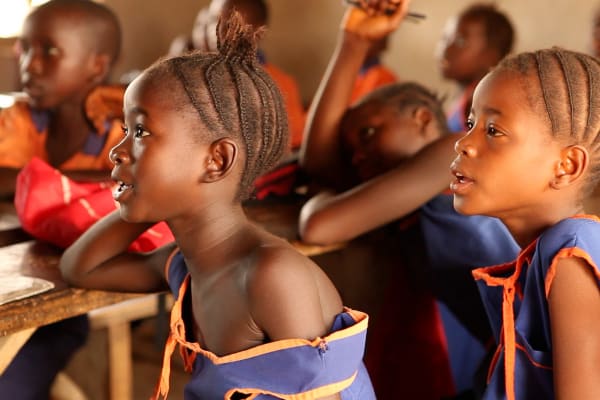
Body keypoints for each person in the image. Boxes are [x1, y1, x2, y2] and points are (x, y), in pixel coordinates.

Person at [59, 11, 375, 400]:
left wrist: (145, 188)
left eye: (139, 131)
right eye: (124, 131)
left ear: (217, 161)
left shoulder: (272, 276)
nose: (116, 151)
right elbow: (80, 267)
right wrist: (142, 193)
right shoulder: (185, 265)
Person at [299, 1, 519, 397]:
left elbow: (319, 224)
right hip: (503, 351)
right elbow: (317, 162)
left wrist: (324, 199)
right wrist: (351, 41)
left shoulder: (448, 154)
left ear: (420, 119)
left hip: (537, 345)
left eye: (368, 133)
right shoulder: (410, 185)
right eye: (354, 152)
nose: (359, 157)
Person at [451, 47, 600, 400]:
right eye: (471, 124)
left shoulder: (570, 254)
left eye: (493, 131)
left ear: (565, 166)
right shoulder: (543, 254)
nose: (463, 143)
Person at [0, 1, 123, 398]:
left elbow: (131, 189)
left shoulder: (119, 135)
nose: (30, 65)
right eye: (26, 49)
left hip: (71, 298)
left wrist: (36, 182)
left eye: (49, 51)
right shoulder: (21, 120)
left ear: (96, 67)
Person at [168, 0, 306, 150]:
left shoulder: (278, 85)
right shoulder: (199, 79)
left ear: (257, 31)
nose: (216, 30)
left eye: (230, 25)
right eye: (214, 20)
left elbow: (292, 146)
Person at [436, 3, 514, 133]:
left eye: (460, 41)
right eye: (445, 38)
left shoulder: (479, 102)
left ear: (491, 55)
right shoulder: (462, 98)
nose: (446, 49)